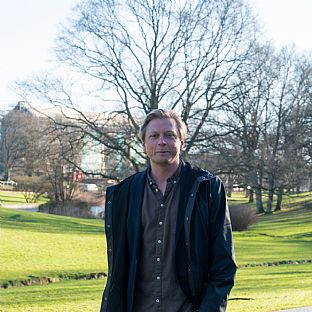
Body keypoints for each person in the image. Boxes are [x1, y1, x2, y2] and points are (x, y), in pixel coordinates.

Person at [100, 109, 236, 312]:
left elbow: (223, 264)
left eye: (169, 135)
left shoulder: (207, 188)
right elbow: (118, 271)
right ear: (144, 145)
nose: (161, 141)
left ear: (182, 142)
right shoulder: (124, 194)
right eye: (154, 136)